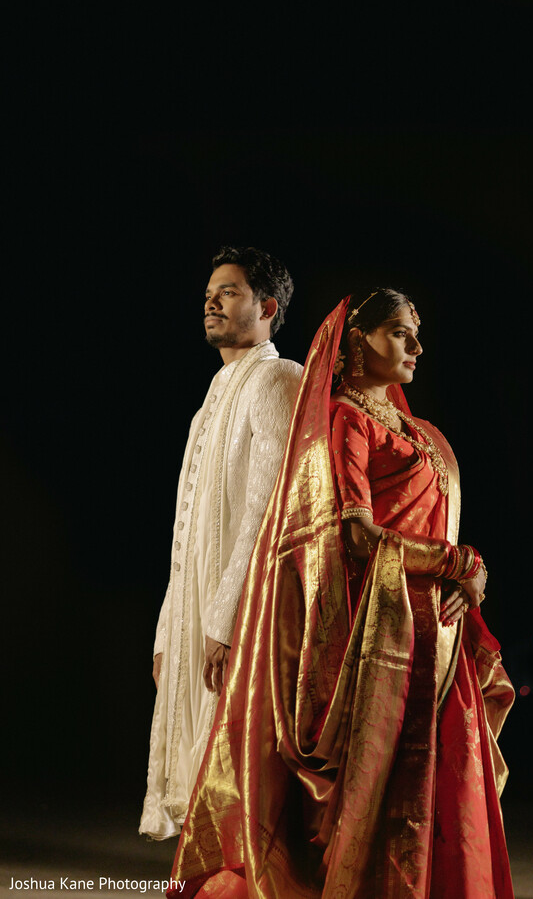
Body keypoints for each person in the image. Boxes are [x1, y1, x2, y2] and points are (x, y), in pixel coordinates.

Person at [168, 289, 515, 897]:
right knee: (378, 785)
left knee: (438, 783)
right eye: (400, 332)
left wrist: (469, 577)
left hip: (437, 629)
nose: (416, 346)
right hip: (376, 638)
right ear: (359, 339)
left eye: (417, 333)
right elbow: (357, 536)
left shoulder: (421, 431)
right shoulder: (346, 420)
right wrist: (457, 562)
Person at [139, 246, 303, 841]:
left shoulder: (278, 378)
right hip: (199, 606)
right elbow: (187, 530)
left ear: (267, 307)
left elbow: (267, 509)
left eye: (229, 292)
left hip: (240, 607)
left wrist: (227, 617)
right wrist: (168, 630)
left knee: (235, 771)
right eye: (210, 293)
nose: (211, 302)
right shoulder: (217, 390)